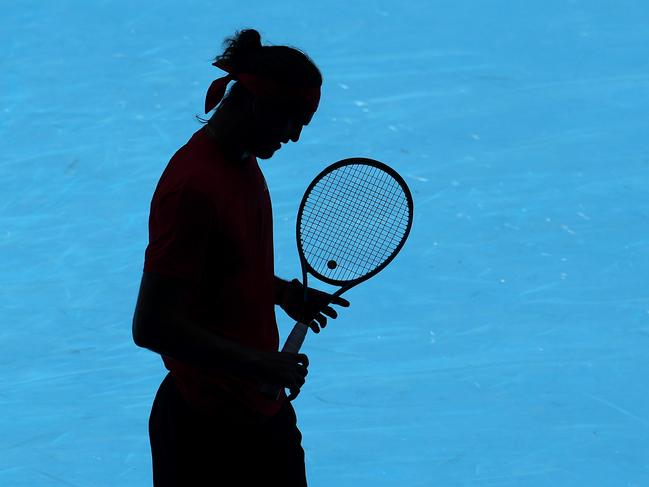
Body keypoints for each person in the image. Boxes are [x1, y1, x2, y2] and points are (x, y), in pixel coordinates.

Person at [132, 29, 350, 486]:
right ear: (257, 104)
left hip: (259, 411)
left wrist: (281, 292)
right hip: (203, 430)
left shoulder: (242, 161)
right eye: (293, 120)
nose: (294, 137)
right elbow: (151, 325)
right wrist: (259, 363)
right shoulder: (192, 187)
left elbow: (221, 265)